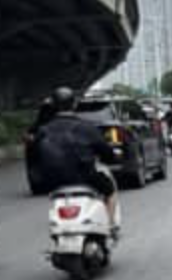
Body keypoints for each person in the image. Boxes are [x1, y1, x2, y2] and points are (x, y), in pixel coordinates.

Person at [30, 90, 120, 233]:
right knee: (110, 191)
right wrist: (111, 158)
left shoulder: (43, 130)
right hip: (85, 178)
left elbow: (34, 156)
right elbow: (106, 152)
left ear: (53, 106)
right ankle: (109, 226)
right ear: (74, 104)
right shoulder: (87, 127)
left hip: (52, 182)